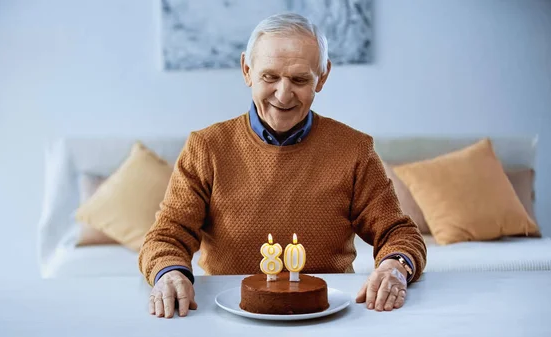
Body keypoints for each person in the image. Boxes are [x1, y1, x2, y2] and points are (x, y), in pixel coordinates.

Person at [138, 12, 427, 319]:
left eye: (300, 79)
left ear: (323, 76)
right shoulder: (206, 147)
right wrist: (169, 273)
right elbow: (166, 236)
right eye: (269, 77)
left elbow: (399, 233)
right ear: (247, 70)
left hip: (329, 315)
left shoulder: (355, 149)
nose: (283, 93)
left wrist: (395, 266)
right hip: (226, 315)